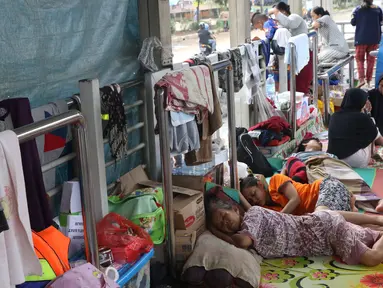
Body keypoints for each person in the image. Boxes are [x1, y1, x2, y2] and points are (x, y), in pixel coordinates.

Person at [206, 190, 383, 267]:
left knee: (373, 258)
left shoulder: (252, 216)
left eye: (224, 217)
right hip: (322, 227)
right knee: (374, 237)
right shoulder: (251, 226)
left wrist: (215, 231)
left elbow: (241, 242)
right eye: (221, 225)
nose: (225, 224)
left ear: (235, 210)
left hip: (326, 231)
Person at [239, 173, 356, 215]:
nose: (254, 200)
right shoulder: (267, 208)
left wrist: (278, 218)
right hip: (319, 209)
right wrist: (238, 194)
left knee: (324, 217)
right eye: (250, 201)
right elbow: (251, 212)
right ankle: (351, 206)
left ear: (260, 185)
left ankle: (370, 218)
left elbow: (295, 199)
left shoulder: (275, 181)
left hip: (323, 188)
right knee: (329, 223)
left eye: (253, 194)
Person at [327, 88, 383, 168]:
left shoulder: (334, 116)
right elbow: (378, 138)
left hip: (334, 159)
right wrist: (367, 114)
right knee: (372, 124)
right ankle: (371, 156)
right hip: (356, 161)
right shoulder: (363, 118)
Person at [268, 2, 312, 94]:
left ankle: (304, 106)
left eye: (276, 14)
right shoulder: (282, 25)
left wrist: (274, 11)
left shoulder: (294, 17)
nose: (275, 18)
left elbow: (289, 24)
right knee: (291, 87)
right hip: (293, 57)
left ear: (283, 12)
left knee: (301, 86)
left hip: (304, 55)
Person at [351, 0, 383, 87]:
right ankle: (368, 81)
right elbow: (381, 21)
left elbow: (353, 22)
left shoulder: (358, 9)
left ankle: (361, 80)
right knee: (371, 61)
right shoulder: (378, 9)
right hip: (374, 39)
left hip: (361, 39)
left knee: (359, 59)